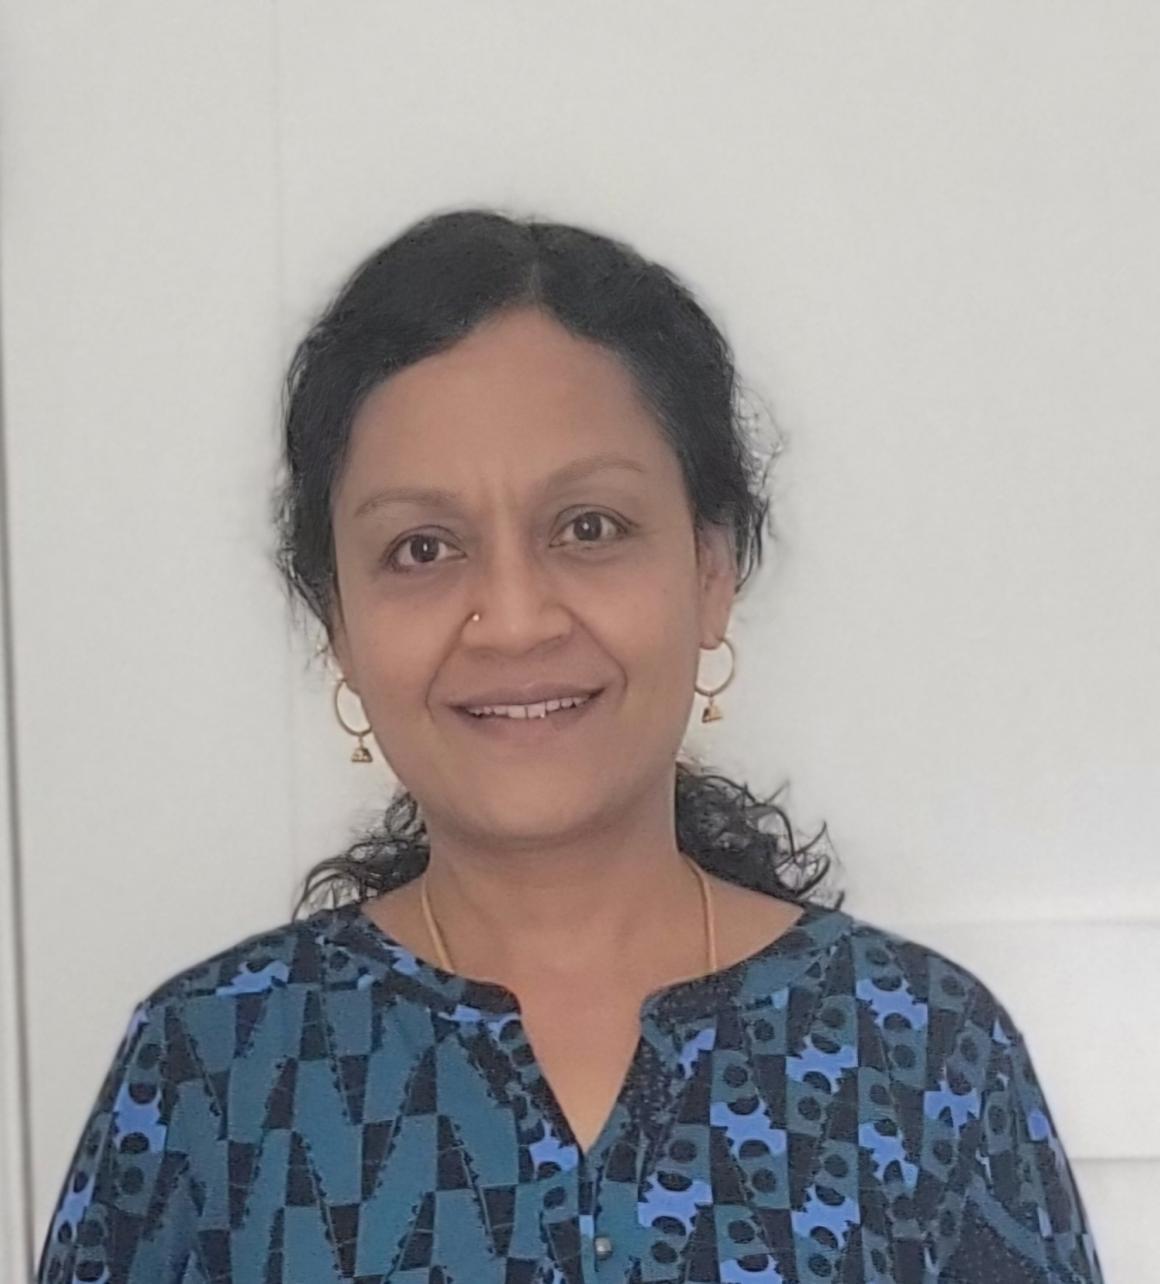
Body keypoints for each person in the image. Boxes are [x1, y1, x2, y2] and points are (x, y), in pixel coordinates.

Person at [37, 209, 1103, 1283]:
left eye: (588, 527)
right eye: (421, 548)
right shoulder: (212, 1072)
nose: (513, 620)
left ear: (711, 569)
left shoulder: (920, 1057)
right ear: (337, 622)